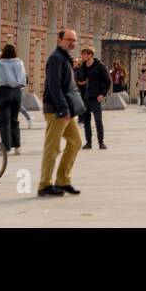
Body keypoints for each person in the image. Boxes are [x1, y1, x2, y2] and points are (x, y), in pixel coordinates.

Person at [39, 28, 83, 197]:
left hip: (66, 109)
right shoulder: (56, 59)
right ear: (59, 39)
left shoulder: (65, 58)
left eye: (74, 40)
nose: (72, 42)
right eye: (69, 39)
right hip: (56, 110)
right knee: (53, 147)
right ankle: (44, 184)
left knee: (76, 142)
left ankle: (63, 180)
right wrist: (63, 108)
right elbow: (54, 86)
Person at [75, 46, 111, 150]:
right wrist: (80, 83)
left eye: (84, 54)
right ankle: (88, 143)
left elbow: (108, 82)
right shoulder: (82, 67)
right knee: (86, 122)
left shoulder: (99, 66)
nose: (82, 56)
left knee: (98, 121)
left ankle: (101, 142)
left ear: (90, 55)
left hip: (96, 98)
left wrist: (102, 94)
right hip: (84, 98)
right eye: (82, 54)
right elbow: (78, 80)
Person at [0, 44, 27, 155]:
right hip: (17, 92)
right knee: (14, 120)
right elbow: (23, 79)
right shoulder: (19, 62)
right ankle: (17, 146)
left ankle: (6, 147)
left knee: (4, 121)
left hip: (4, 92)